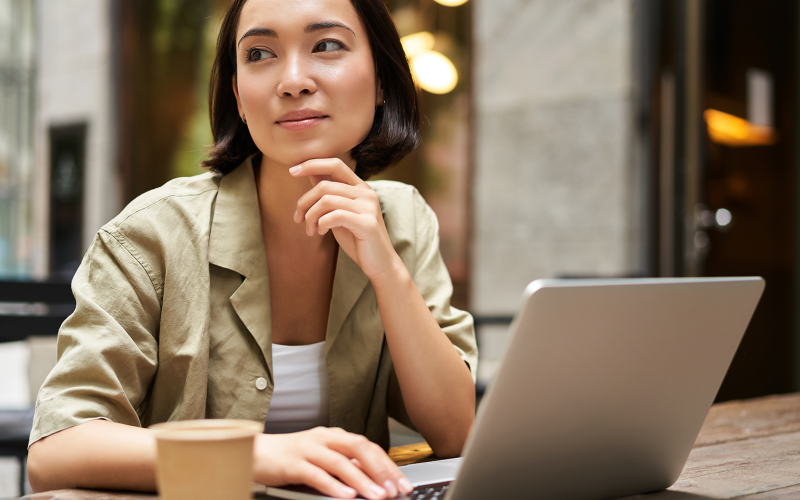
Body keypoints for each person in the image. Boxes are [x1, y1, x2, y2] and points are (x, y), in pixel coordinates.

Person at [26, 0, 478, 498]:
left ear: (381, 82)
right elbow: (56, 450)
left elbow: (455, 435)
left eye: (326, 45)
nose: (293, 80)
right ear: (240, 97)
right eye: (260, 53)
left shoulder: (404, 219)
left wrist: (388, 272)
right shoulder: (150, 234)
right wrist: (257, 456)